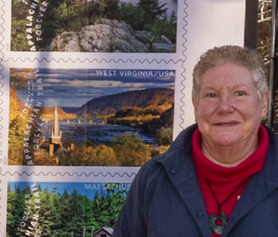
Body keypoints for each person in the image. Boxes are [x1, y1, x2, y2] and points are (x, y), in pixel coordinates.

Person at [113, 45, 278, 236]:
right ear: (195, 104)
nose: (224, 107)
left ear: (263, 103)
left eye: (239, 93)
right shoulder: (154, 178)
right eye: (212, 95)